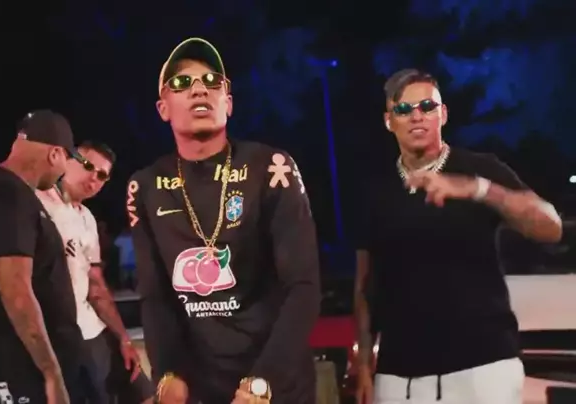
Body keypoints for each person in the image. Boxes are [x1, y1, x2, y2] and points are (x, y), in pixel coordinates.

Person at [126, 37, 321, 404]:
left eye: (213, 82)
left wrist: (263, 381)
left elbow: (304, 286)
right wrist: (168, 373)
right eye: (182, 83)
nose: (200, 89)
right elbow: (155, 297)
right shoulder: (145, 185)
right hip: (204, 389)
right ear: (163, 108)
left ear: (228, 104)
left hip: (277, 386)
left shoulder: (271, 168)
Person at [352, 69, 563, 404]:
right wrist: (364, 363)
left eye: (427, 106)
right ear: (389, 121)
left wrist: (477, 189)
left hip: (483, 368)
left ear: (443, 114)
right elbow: (365, 286)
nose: (417, 116)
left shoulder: (480, 168)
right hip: (399, 375)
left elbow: (551, 227)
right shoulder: (375, 191)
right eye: (403, 109)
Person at [0, 110, 85, 404]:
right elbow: (16, 291)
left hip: (26, 366)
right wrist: (51, 372)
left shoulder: (14, 192)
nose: (64, 172)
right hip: (18, 368)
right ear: (55, 154)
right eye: (67, 160)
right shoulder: (8, 195)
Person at [36, 140, 155, 404]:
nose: (93, 177)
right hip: (58, 334)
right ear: (67, 159)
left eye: (102, 175)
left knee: (144, 392)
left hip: (93, 327)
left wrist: (123, 338)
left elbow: (96, 285)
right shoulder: (37, 204)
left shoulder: (87, 218)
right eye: (88, 166)